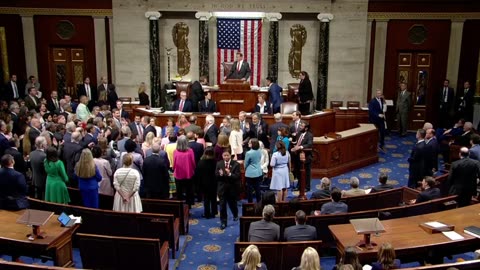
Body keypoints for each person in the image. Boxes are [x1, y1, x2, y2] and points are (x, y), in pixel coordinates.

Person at [216, 149, 240, 230]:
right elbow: (216, 176)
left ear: (230, 155)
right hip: (222, 189)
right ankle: (223, 222)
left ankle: (235, 214)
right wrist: (221, 175)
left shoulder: (236, 164)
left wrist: (229, 174)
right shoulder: (219, 164)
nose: (226, 157)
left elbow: (237, 177)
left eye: (227, 155)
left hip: (232, 189)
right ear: (222, 156)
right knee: (222, 206)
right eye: (224, 155)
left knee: (232, 204)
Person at [173, 135, 196, 207]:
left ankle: (180, 206)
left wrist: (174, 169)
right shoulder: (190, 151)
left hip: (178, 174)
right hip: (188, 173)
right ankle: (189, 205)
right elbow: (193, 162)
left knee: (179, 191)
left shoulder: (175, 151)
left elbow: (174, 163)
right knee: (189, 190)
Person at [291, 121, 313, 191]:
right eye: (300, 126)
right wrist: (294, 144)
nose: (300, 127)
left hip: (306, 157)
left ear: (306, 128)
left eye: (302, 126)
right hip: (297, 156)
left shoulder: (309, 135)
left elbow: (309, 144)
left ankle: (307, 187)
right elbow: (297, 142)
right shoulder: (299, 133)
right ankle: (299, 186)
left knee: (306, 173)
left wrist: (300, 147)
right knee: (298, 172)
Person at [196, 146, 217, 218]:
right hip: (214, 183)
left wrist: (198, 185)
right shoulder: (215, 162)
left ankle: (207, 213)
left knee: (206, 199)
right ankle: (214, 212)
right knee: (213, 198)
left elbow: (198, 174)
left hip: (204, 184)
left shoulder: (201, 162)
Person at [244, 138, 263, 203]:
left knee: (250, 190)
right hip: (258, 172)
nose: (248, 143)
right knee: (258, 189)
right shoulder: (259, 151)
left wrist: (245, 168)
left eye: (249, 143)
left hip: (250, 174)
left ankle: (250, 204)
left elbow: (246, 164)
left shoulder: (248, 153)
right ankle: (259, 203)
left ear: (253, 144)